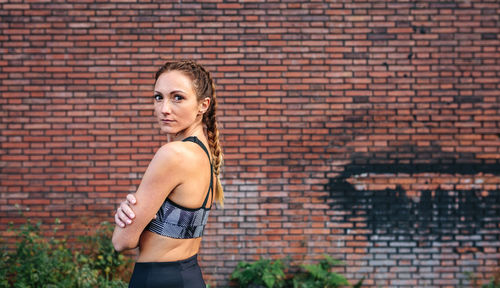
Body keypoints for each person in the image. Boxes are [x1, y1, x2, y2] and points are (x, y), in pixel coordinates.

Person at [112, 60, 223, 288]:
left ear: (203, 105)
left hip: (157, 279)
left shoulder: (173, 154)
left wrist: (127, 216)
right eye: (158, 97)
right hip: (190, 275)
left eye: (177, 97)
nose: (164, 109)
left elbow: (122, 241)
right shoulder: (204, 153)